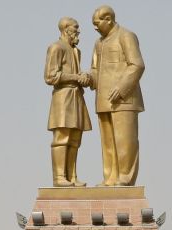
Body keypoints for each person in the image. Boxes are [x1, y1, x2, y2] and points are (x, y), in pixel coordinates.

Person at [87, 5, 145, 186]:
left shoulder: (126, 36)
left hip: (124, 100)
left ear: (109, 20)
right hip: (103, 100)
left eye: (97, 24)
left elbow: (137, 65)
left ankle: (125, 178)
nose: (95, 28)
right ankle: (110, 178)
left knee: (125, 141)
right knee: (108, 144)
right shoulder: (98, 43)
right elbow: (95, 70)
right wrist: (87, 77)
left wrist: (121, 89)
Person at [45, 16, 92, 187]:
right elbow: (50, 76)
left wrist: (85, 77)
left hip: (76, 96)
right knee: (62, 137)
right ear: (66, 29)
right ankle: (59, 177)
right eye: (75, 27)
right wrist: (75, 77)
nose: (78, 31)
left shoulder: (76, 51)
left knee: (75, 139)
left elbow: (77, 74)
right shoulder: (56, 47)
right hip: (63, 96)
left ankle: (72, 176)